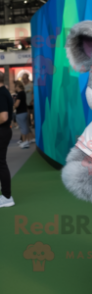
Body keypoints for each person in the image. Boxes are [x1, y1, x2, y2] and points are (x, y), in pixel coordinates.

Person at [0, 71, 15, 208]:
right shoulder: (4, 92)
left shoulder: (1, 93)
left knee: (1, 164)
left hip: (2, 131)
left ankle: (7, 196)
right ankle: (5, 194)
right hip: (4, 131)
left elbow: (3, 117)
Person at [14, 81, 34, 149]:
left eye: (15, 86)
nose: (14, 88)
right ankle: (26, 141)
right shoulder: (23, 93)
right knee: (25, 127)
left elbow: (17, 104)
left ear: (18, 86)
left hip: (20, 113)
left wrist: (12, 107)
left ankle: (24, 142)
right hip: (24, 111)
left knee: (23, 128)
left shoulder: (19, 94)